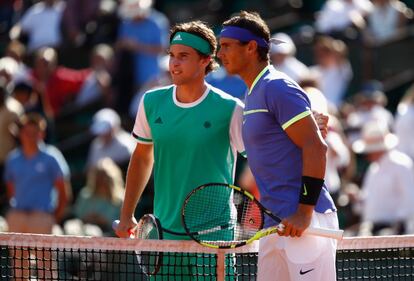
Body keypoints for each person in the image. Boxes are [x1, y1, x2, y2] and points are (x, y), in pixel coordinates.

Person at [217, 11, 338, 281]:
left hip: (305, 220)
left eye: (226, 46)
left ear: (250, 48)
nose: (220, 53)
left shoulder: (277, 87)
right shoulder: (252, 93)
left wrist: (304, 212)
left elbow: (315, 147)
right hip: (275, 224)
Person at [3, 112, 72, 280]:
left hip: (42, 218)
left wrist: (52, 218)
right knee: (19, 271)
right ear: (20, 134)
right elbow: (10, 189)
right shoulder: (13, 159)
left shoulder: (52, 157)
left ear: (42, 133)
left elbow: (64, 193)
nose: (31, 137)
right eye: (27, 132)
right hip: (17, 218)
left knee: (46, 271)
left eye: (35, 133)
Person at [352, 121, 414, 235]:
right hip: (373, 228)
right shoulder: (373, 168)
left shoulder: (401, 164)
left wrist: (399, 227)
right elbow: (369, 200)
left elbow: (409, 199)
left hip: (397, 230)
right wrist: (357, 198)